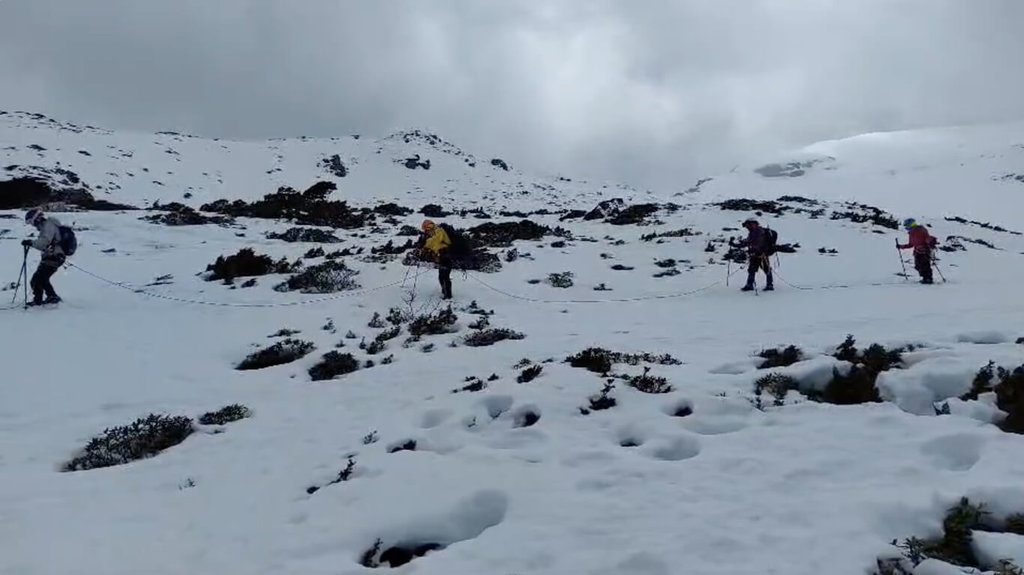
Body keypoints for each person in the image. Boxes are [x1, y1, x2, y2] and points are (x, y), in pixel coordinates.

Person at [21, 208, 67, 306]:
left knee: (38, 279)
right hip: (53, 256)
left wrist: (31, 243)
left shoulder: (48, 225)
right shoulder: (48, 226)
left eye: (31, 222)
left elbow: (44, 242)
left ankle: (39, 300)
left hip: (55, 257)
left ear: (36, 219)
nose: (33, 225)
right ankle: (52, 297)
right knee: (41, 278)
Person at [730, 218, 774, 291]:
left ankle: (767, 285)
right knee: (753, 269)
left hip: (761, 254)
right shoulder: (753, 232)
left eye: (747, 225)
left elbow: (759, 243)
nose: (747, 227)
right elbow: (747, 242)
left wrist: (754, 249)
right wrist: (735, 245)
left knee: (765, 269)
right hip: (756, 254)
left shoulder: (759, 232)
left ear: (752, 224)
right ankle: (753, 285)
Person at [417, 219, 453, 299]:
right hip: (442, 256)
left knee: (444, 276)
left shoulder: (438, 230)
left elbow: (436, 240)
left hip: (446, 256)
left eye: (426, 229)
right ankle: (445, 293)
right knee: (442, 276)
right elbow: (435, 245)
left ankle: (448, 295)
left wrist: (426, 246)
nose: (426, 231)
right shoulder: (434, 232)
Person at [897, 217, 938, 284]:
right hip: (917, 252)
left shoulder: (921, 230)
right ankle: (925, 278)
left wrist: (929, 243)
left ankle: (928, 279)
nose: (906, 228)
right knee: (918, 266)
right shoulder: (911, 233)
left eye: (907, 226)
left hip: (925, 251)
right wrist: (901, 246)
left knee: (925, 265)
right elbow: (911, 244)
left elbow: (927, 238)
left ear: (911, 225)